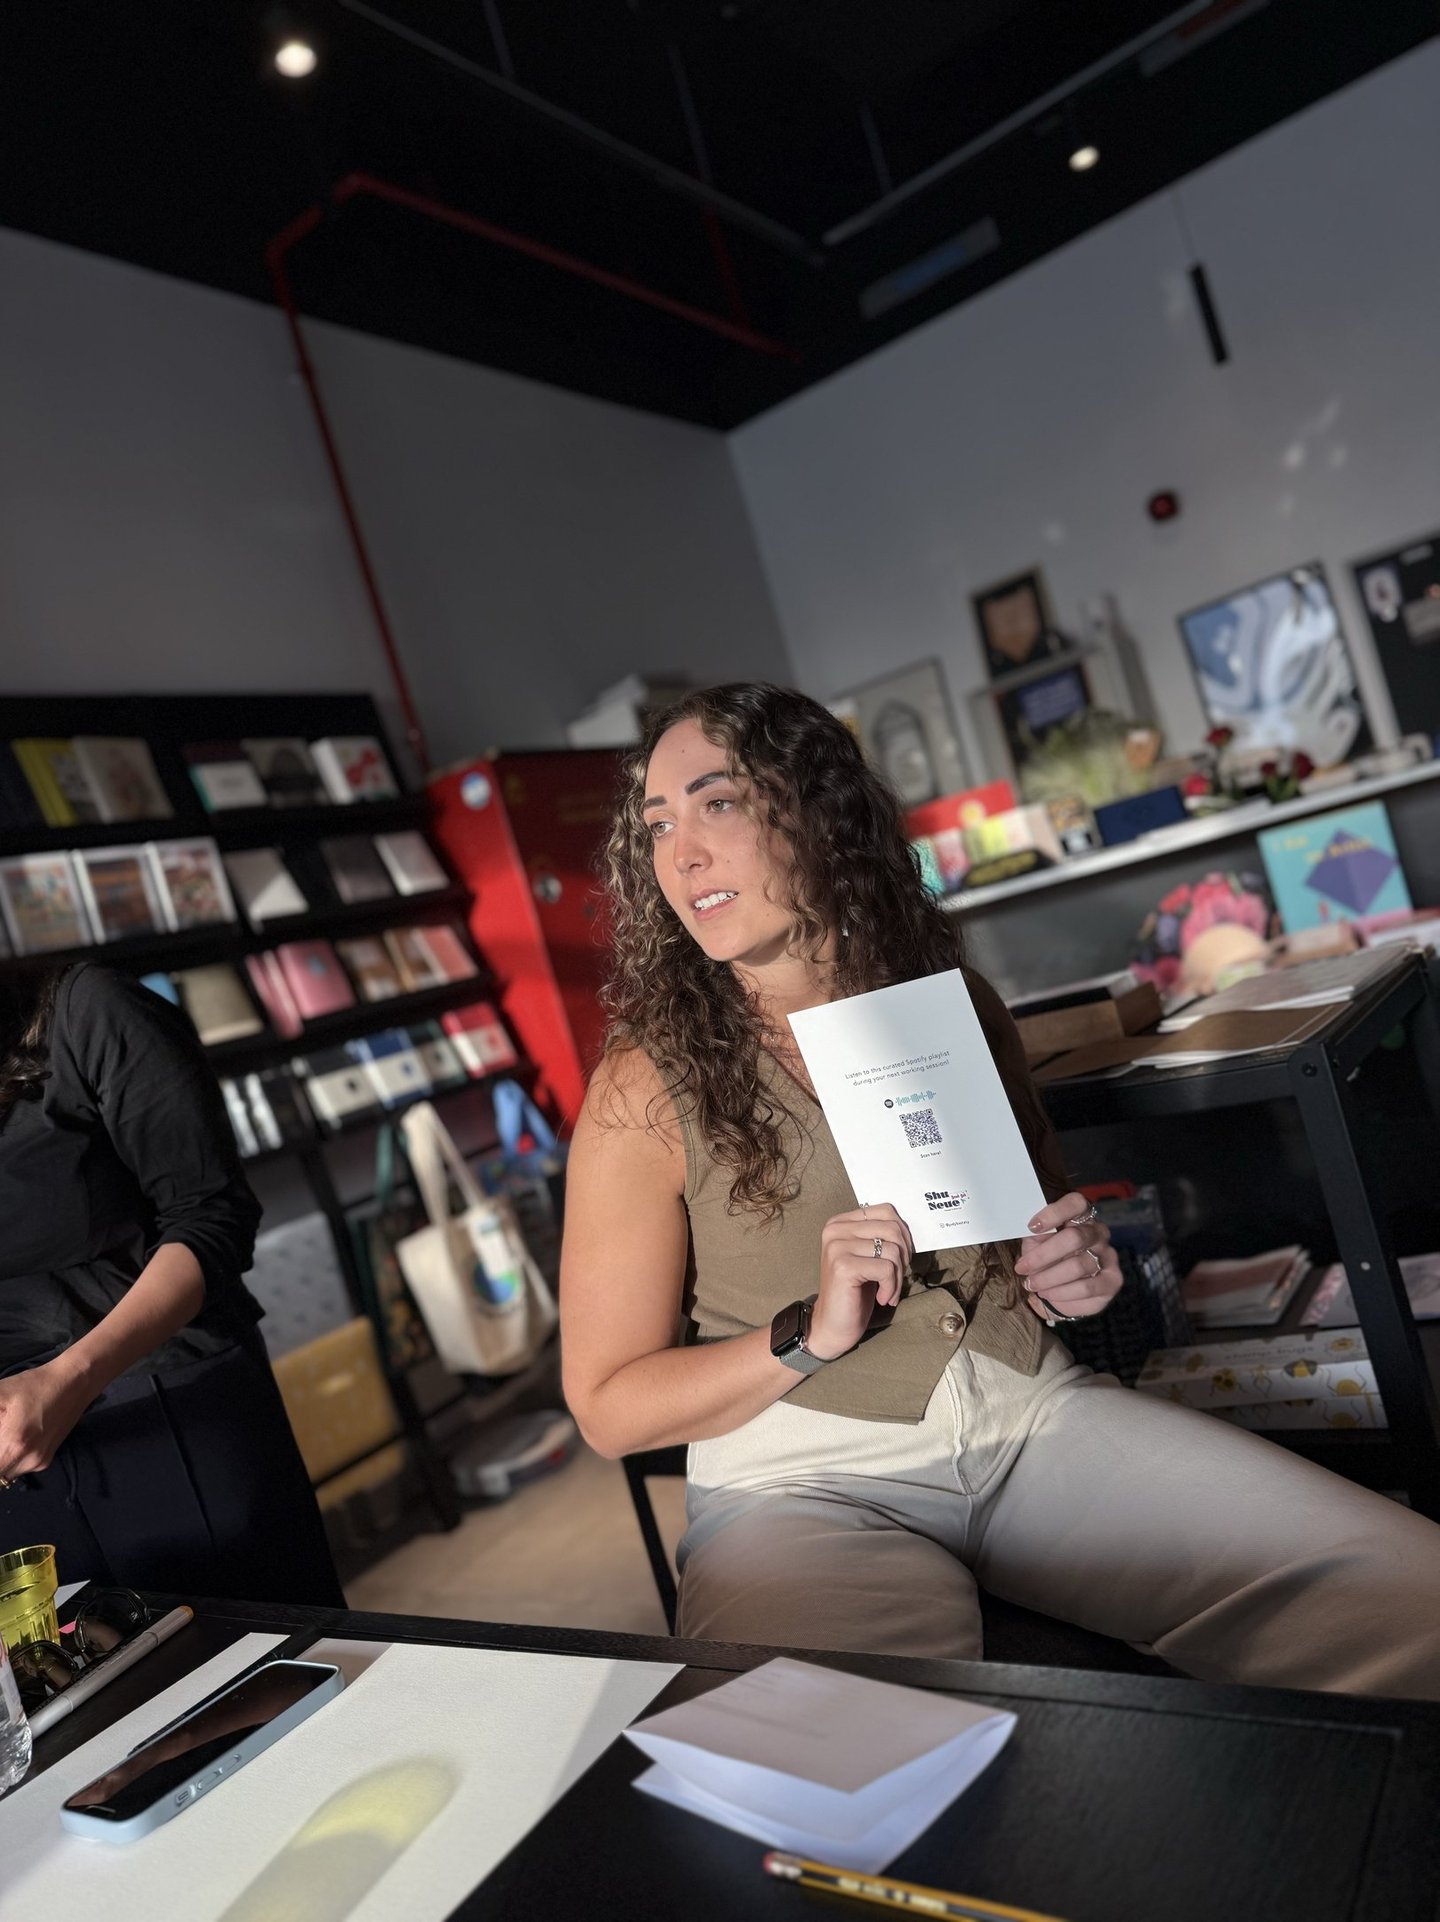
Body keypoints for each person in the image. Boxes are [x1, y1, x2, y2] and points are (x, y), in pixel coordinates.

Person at [561, 682, 1440, 1698]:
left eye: (716, 801)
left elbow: (1048, 1230)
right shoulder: (643, 1080)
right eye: (658, 822)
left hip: (1031, 1414)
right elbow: (607, 1405)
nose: (681, 852)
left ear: (811, 804)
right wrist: (804, 1332)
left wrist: (1078, 1269)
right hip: (794, 1480)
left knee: (1409, 1597)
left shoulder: (953, 1000)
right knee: (828, 1770)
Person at [0, 962, 342, 1606]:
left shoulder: (85, 1012)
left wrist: (69, 1378)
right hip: (16, 1491)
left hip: (168, 1403)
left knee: (273, 1686)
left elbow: (210, 1217)